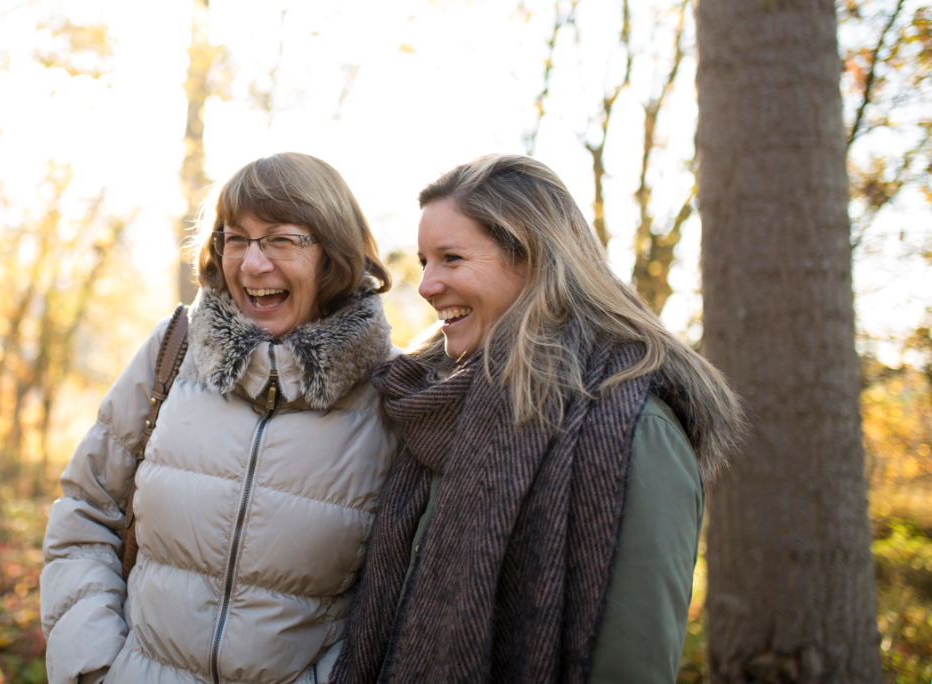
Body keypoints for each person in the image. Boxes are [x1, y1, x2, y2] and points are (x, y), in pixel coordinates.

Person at [328, 154, 747, 684]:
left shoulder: (634, 428)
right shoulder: (431, 407)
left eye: (451, 258)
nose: (427, 286)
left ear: (532, 257)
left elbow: (629, 664)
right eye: (425, 261)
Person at [41, 152, 400, 684]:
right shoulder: (172, 350)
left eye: (281, 239)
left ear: (334, 254)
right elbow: (86, 513)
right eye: (236, 239)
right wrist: (94, 667)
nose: (252, 265)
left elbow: (399, 594)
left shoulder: (393, 396)